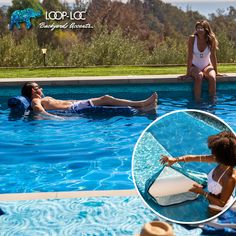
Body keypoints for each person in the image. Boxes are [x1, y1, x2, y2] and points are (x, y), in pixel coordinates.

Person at [160, 131, 236, 216]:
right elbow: (194, 157)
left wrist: (201, 192)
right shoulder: (219, 159)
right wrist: (175, 159)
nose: (211, 154)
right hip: (212, 197)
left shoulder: (230, 178)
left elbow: (221, 203)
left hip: (218, 209)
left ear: (222, 154)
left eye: (214, 151)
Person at [21, 82, 157, 118]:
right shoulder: (35, 101)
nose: (41, 89)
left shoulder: (45, 98)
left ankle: (144, 109)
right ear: (33, 91)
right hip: (75, 109)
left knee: (107, 100)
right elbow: (38, 110)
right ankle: (142, 104)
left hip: (77, 104)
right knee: (107, 99)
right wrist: (55, 118)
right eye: (38, 87)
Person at [180, 20, 221, 102]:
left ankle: (212, 102)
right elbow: (190, 56)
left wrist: (216, 72)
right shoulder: (192, 38)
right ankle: (197, 102)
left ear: (206, 29)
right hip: (194, 66)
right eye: (198, 28)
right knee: (199, 77)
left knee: (212, 78)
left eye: (201, 28)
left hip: (207, 66)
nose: (199, 30)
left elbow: (213, 56)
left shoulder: (211, 39)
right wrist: (188, 73)